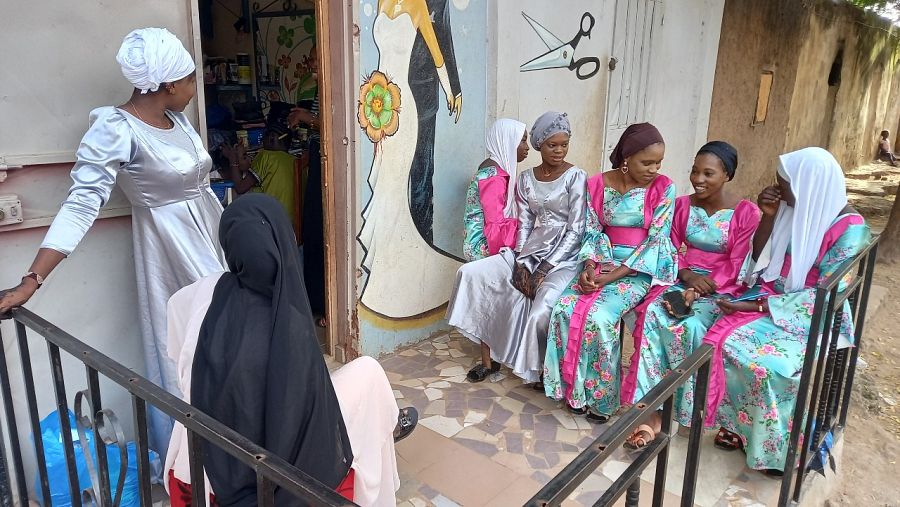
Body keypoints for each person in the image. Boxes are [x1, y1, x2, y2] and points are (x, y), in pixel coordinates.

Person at [0, 27, 226, 454]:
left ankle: (240, 436)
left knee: (229, 332)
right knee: (193, 343)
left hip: (210, 234)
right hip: (170, 247)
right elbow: (81, 204)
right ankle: (196, 455)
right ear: (169, 84)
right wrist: (32, 280)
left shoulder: (177, 120)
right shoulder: (116, 128)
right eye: (191, 79)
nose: (195, 88)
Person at [165, 194, 415, 506]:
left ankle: (390, 422)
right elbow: (299, 408)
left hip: (210, 443)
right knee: (368, 372)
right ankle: (390, 426)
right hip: (273, 458)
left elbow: (179, 345)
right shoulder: (288, 318)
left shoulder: (201, 295)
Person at [705, 147, 870, 475]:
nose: (779, 192)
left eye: (785, 186)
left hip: (812, 315)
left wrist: (756, 305)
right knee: (721, 339)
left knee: (770, 366)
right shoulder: (796, 207)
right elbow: (761, 258)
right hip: (773, 295)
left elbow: (829, 295)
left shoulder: (851, 230)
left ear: (809, 186)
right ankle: (740, 426)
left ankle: (778, 449)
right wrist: (768, 216)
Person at [618, 141, 760, 448]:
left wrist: (703, 286)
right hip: (681, 278)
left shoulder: (746, 213)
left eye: (708, 173)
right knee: (652, 315)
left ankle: (687, 411)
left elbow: (738, 261)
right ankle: (650, 411)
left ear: (728, 175)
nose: (698, 179)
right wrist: (687, 276)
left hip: (721, 288)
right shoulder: (682, 205)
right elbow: (668, 246)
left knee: (692, 326)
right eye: (695, 171)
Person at [543, 123, 677, 424]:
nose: (654, 169)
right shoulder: (597, 184)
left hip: (638, 268)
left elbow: (656, 240)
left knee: (600, 317)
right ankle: (574, 392)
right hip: (601, 260)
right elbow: (592, 230)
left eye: (658, 162)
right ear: (627, 158)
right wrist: (590, 267)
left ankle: (602, 399)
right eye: (647, 162)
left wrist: (613, 275)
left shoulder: (664, 188)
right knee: (564, 308)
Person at [447, 111, 586, 383]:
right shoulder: (505, 176)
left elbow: (575, 228)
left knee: (521, 299)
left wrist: (539, 264)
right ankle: (491, 359)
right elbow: (511, 224)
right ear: (539, 143)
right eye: (551, 144)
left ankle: (520, 364)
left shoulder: (573, 176)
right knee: (492, 288)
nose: (559, 150)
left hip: (559, 253)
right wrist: (522, 259)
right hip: (502, 247)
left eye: (564, 144)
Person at [357, 0, 464, 319]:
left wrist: (452, 91)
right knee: (387, 186)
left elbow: (437, 53)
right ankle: (388, 271)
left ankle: (408, 277)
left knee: (406, 185)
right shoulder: (382, 1)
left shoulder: (419, 4)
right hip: (384, 106)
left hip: (407, 107)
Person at [462, 118, 528, 261]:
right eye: (523, 141)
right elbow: (495, 224)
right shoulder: (494, 177)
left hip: (479, 243)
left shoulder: (490, 170)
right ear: (507, 140)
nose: (527, 147)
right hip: (483, 247)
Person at [224, 113, 298, 230]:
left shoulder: (266, 156)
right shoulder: (296, 161)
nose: (261, 142)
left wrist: (232, 159)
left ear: (272, 138)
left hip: (268, 223)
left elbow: (240, 188)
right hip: (291, 223)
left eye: (264, 137)